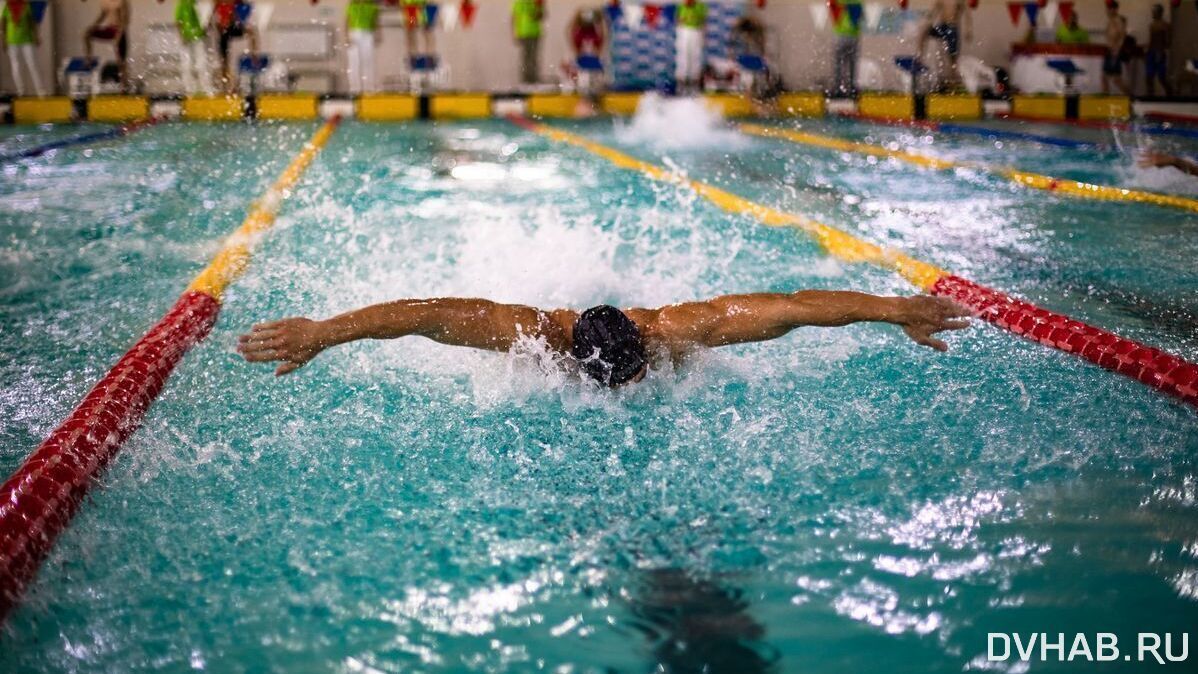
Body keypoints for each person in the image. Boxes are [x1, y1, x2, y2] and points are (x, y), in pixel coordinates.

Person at [236, 291, 971, 386]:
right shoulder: (530, 334)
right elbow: (427, 314)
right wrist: (325, 333)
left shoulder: (681, 329)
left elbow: (791, 310)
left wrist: (889, 308)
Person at [921, 0, 971, 90]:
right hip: (942, 27)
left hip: (952, 28)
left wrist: (968, 29)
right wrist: (927, 20)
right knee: (924, 31)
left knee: (952, 59)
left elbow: (968, 15)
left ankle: (954, 82)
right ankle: (920, 56)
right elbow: (932, 12)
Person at [211, 0, 258, 92]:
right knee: (224, 63)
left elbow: (249, 31)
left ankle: (231, 86)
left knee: (227, 63)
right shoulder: (219, 5)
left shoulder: (232, 6)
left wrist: (254, 52)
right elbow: (215, 21)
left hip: (229, 32)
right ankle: (227, 86)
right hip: (224, 34)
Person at [1, 0, 45, 97]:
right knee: (16, 66)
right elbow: (3, 23)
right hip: (12, 40)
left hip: (27, 39)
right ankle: (21, 90)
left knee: (32, 64)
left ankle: (40, 91)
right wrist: (3, 40)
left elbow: (31, 22)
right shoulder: (7, 6)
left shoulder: (26, 5)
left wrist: (36, 36)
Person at [83, 0, 129, 90]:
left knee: (121, 61)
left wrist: (118, 36)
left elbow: (125, 21)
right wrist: (93, 26)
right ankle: (89, 58)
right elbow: (102, 16)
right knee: (86, 35)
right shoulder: (105, 2)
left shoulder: (122, 2)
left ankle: (124, 85)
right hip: (109, 29)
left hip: (119, 30)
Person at [175, 0, 212, 95]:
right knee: (187, 64)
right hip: (188, 36)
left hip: (198, 36)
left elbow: (204, 20)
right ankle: (189, 89)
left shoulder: (195, 3)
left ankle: (204, 87)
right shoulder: (182, 4)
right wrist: (182, 35)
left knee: (201, 63)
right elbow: (178, 22)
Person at [346, 0, 380, 94]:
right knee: (354, 61)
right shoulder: (352, 5)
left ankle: (369, 88)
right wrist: (346, 36)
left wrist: (378, 34)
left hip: (368, 33)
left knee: (368, 61)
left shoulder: (372, 5)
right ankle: (354, 89)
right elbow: (347, 20)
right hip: (354, 33)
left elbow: (376, 21)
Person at [675, 0, 708, 94]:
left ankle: (694, 83)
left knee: (695, 57)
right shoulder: (681, 4)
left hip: (696, 31)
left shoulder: (701, 5)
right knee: (683, 57)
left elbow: (704, 21)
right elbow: (677, 18)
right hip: (684, 30)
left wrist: (704, 35)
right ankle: (681, 83)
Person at [831, 0, 861, 97]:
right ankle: (852, 87)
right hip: (854, 36)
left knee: (839, 65)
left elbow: (832, 6)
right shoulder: (857, 2)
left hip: (841, 36)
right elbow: (860, 17)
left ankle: (838, 88)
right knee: (852, 64)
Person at [512, 0, 544, 86]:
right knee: (526, 58)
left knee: (533, 57)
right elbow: (515, 16)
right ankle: (526, 80)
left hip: (535, 32)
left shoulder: (536, 1)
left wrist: (539, 7)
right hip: (524, 32)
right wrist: (515, 32)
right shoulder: (519, 1)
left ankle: (533, 79)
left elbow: (540, 16)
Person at [1102, 0, 1129, 95]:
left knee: (1116, 80)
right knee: (1105, 77)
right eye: (1108, 9)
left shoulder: (1118, 20)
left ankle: (1131, 98)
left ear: (1115, 9)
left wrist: (1116, 51)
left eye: (1110, 9)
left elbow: (1122, 36)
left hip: (1114, 51)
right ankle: (1106, 99)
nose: (1108, 11)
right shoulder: (1111, 20)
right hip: (1110, 51)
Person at [1145, 4, 1171, 97]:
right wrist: (1147, 51)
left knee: (1161, 77)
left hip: (1160, 52)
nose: (1152, 13)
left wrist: (1161, 51)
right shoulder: (1152, 25)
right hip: (1151, 52)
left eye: (1154, 11)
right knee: (1149, 76)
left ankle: (1170, 94)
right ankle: (1150, 96)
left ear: (1159, 12)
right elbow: (1151, 40)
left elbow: (1168, 41)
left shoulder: (1165, 25)